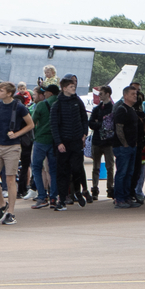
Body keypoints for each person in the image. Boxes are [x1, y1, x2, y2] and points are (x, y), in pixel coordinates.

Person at [0, 83, 30, 225]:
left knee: (10, 179)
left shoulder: (19, 106)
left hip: (12, 146)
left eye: (1, 90)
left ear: (9, 93)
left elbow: (30, 124)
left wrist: (17, 134)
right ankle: (2, 205)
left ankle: (11, 213)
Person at [48, 77, 90, 209]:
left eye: (74, 86)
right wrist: (59, 142)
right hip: (63, 142)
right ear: (64, 88)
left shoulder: (78, 101)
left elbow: (84, 118)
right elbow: (54, 125)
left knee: (77, 168)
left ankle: (77, 191)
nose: (74, 88)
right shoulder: (57, 105)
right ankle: (62, 198)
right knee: (62, 172)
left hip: (77, 141)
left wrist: (84, 134)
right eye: (71, 87)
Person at [108, 85, 145, 207]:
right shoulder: (122, 110)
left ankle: (127, 197)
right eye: (132, 94)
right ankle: (119, 198)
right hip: (123, 147)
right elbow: (119, 128)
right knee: (122, 173)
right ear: (125, 96)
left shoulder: (131, 110)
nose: (135, 96)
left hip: (132, 146)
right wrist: (125, 144)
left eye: (135, 94)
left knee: (129, 173)